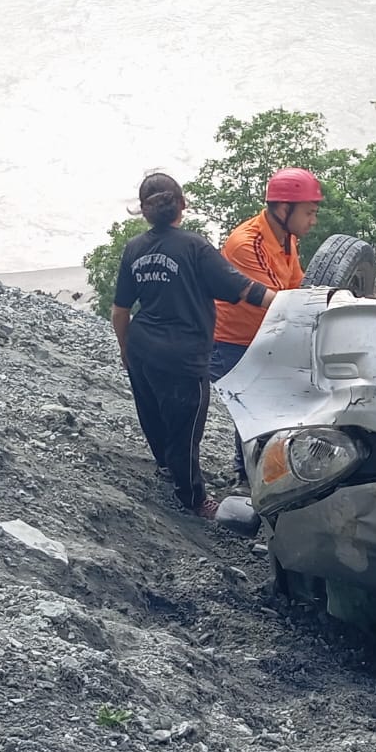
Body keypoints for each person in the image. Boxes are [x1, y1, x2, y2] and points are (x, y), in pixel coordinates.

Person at [111, 173, 274, 519]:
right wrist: (290, 302)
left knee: (152, 415)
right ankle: (193, 500)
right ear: (182, 205)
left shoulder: (133, 249)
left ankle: (167, 469)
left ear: (143, 211)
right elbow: (246, 290)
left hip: (142, 347)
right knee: (186, 430)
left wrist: (125, 349)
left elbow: (120, 310)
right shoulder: (194, 247)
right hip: (183, 356)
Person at [210, 167, 323, 483]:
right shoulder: (247, 244)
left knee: (267, 410)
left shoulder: (287, 237)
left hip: (265, 336)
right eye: (309, 212)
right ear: (284, 209)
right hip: (232, 342)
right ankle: (246, 479)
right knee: (252, 412)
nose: (313, 220)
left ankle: (259, 473)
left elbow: (298, 285)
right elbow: (280, 301)